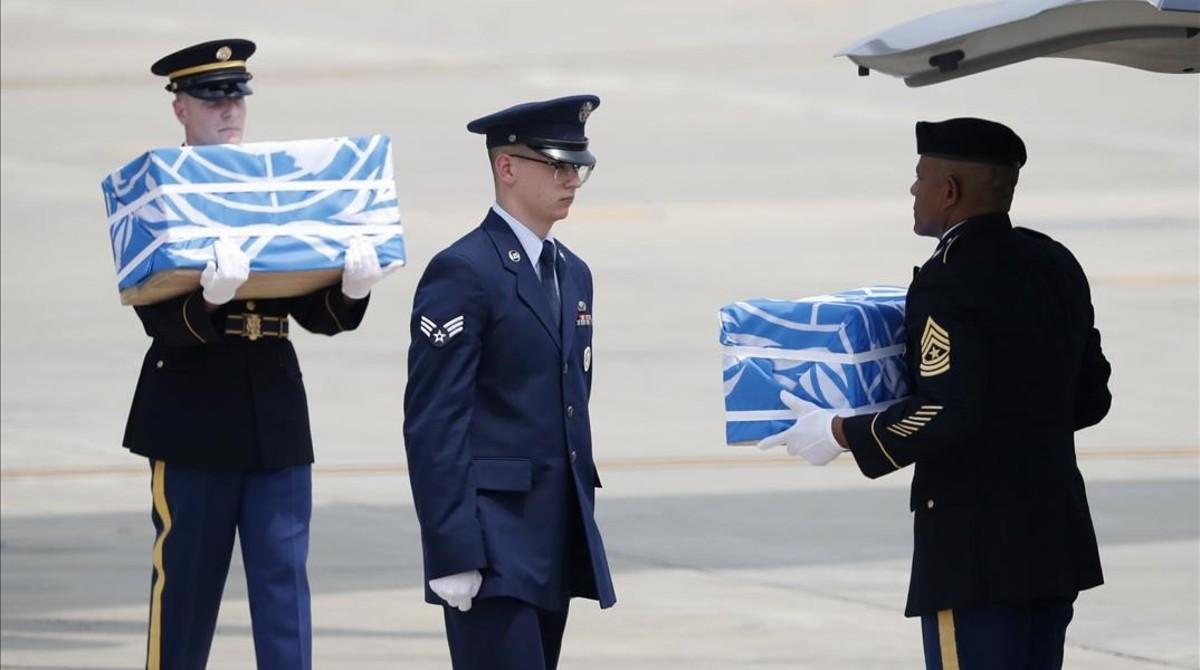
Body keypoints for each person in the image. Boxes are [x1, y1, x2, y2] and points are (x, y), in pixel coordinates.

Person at [758, 118, 1112, 670]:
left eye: (921, 177)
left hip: (977, 555)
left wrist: (840, 431)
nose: (913, 191)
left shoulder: (951, 278)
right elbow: (1091, 399)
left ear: (949, 191)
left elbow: (948, 411)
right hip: (1052, 540)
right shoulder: (1054, 261)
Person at [125, 39, 387, 669]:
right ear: (180, 107)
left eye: (237, 96)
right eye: (213, 98)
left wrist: (349, 291)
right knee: (185, 591)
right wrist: (209, 300)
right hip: (191, 417)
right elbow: (155, 313)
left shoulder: (276, 183)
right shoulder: (157, 187)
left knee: (283, 593)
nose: (231, 110)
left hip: (273, 414)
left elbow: (310, 310)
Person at [402, 94, 616, 670]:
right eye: (557, 164)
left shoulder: (573, 273)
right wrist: (451, 550)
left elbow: (570, 403)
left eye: (579, 167)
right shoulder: (464, 271)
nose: (571, 179)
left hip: (553, 536)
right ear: (507, 167)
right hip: (491, 544)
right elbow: (434, 423)